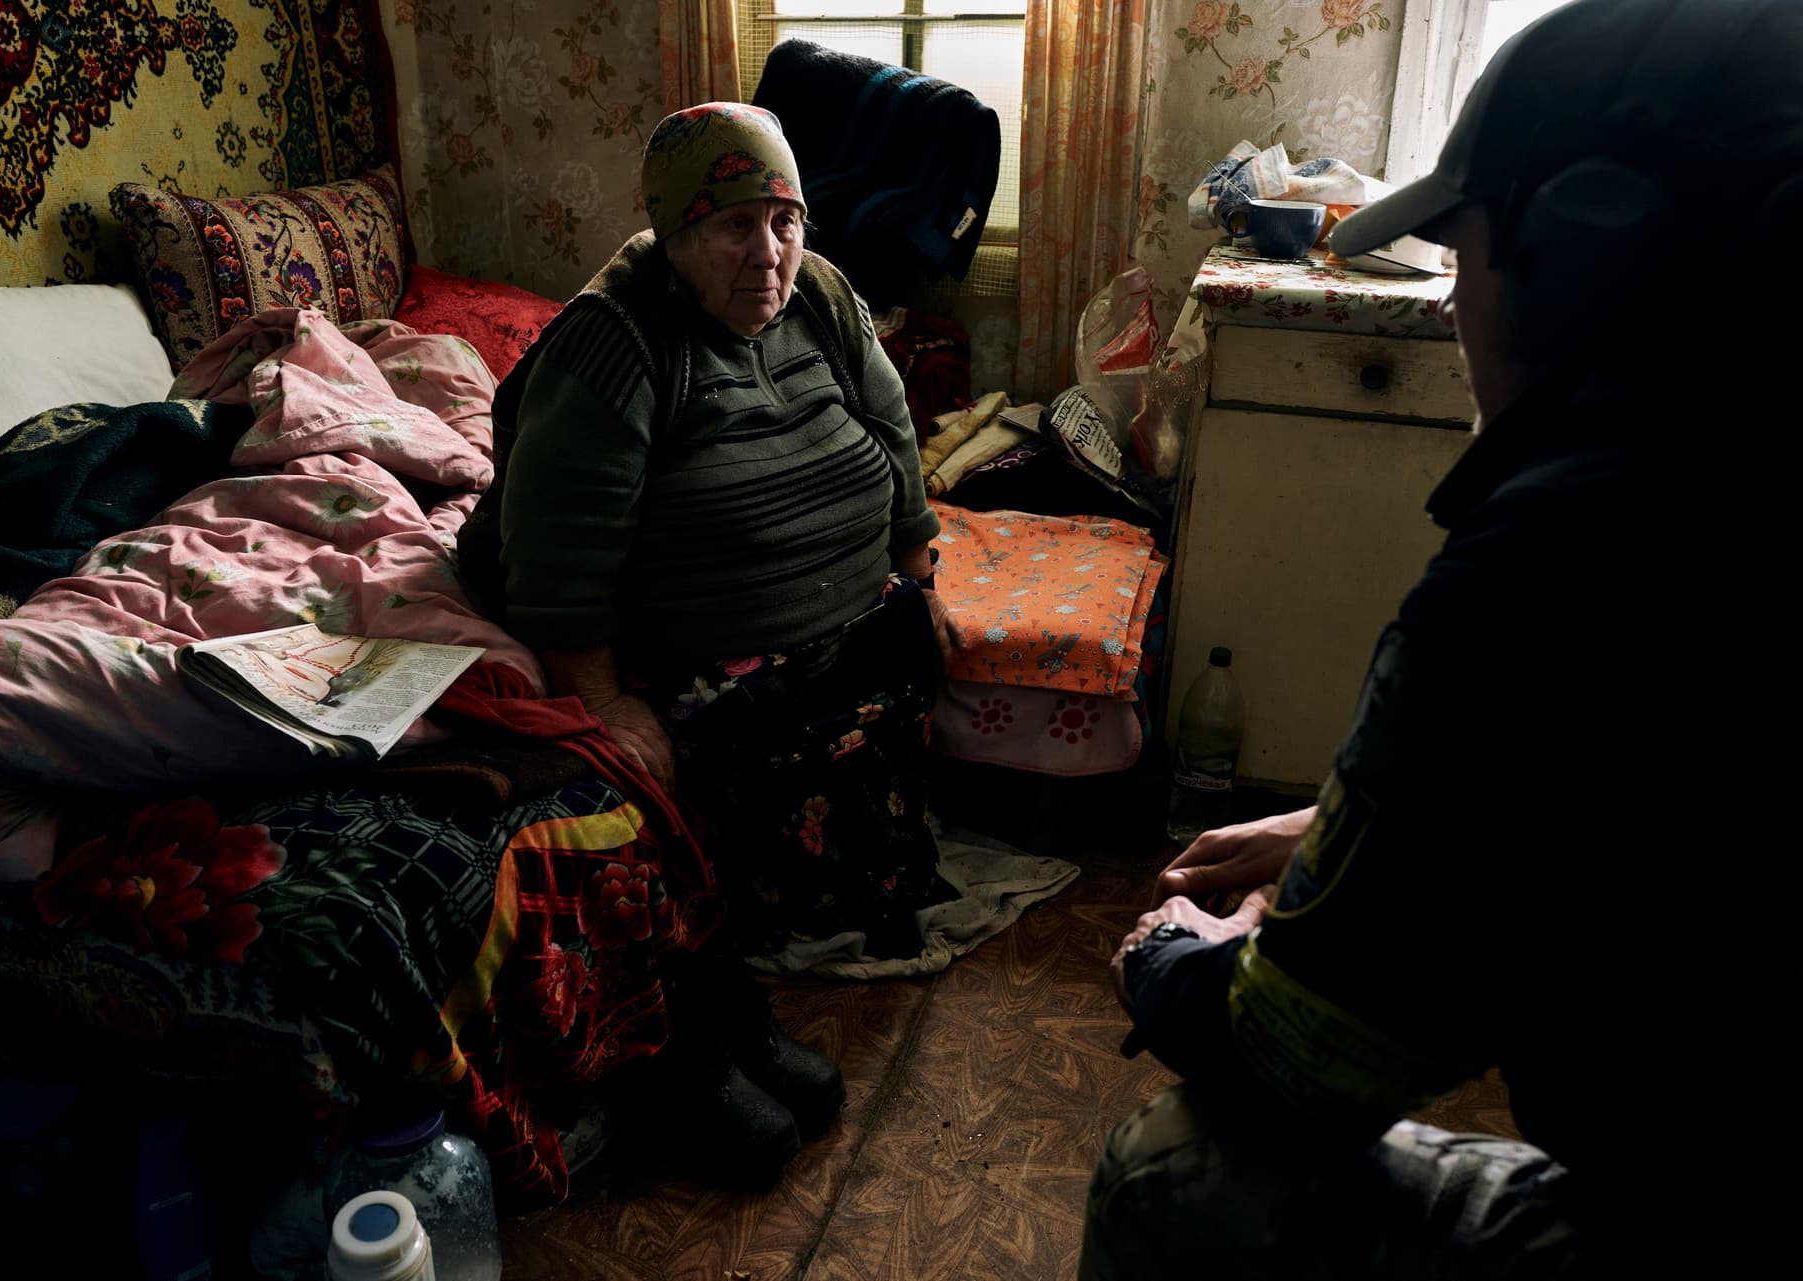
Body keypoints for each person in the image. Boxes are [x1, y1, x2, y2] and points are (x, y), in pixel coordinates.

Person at [1085, 0, 1796, 1275]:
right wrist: (1343, 825)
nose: (1460, 309)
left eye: (1467, 257)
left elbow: (1301, 1057)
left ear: (1582, 253)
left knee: (1180, 1172)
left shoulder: (1565, 560)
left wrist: (1172, 963)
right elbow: (1646, 800)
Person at [458, 102, 959, 1179]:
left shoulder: (821, 293)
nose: (769, 253)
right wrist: (599, 691)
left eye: (785, 220)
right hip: (691, 645)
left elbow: (894, 429)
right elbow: (559, 539)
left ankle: (758, 964)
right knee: (675, 769)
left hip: (826, 616)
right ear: (675, 236)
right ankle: (685, 1027)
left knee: (909, 645)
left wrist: (915, 566)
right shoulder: (618, 341)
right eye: (734, 227)